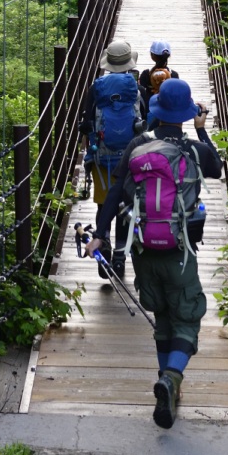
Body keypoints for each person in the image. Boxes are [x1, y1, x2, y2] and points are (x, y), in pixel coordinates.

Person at [85, 77, 222, 428]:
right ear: (188, 112)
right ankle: (171, 377)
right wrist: (202, 130)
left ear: (156, 111)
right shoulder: (195, 150)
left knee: (161, 317)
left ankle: (166, 385)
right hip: (180, 250)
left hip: (142, 247)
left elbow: (115, 192)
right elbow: (217, 169)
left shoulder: (138, 144)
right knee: (187, 317)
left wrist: (100, 235)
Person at [79, 37, 145, 277]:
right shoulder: (137, 89)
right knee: (126, 206)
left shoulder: (96, 88)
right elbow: (143, 124)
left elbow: (86, 123)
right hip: (130, 158)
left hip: (101, 157)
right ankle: (119, 256)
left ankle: (102, 247)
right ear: (130, 64)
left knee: (102, 204)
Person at [138, 38, 179, 105]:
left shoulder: (146, 74)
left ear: (152, 55)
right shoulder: (174, 74)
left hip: (150, 107)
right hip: (167, 107)